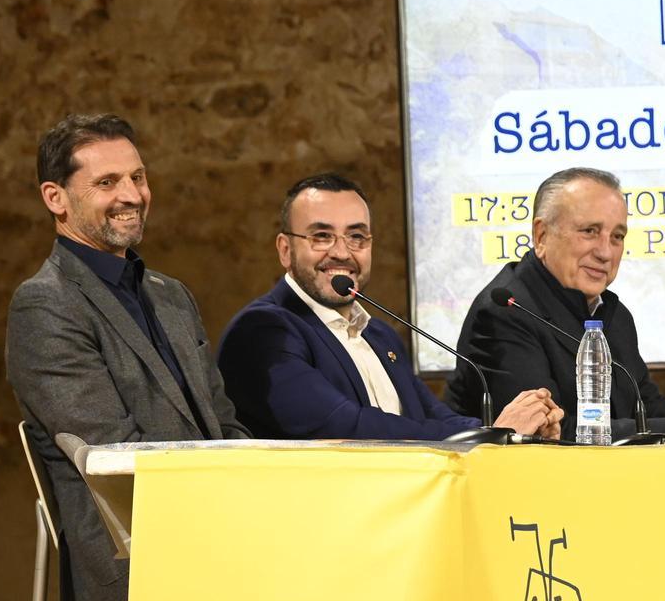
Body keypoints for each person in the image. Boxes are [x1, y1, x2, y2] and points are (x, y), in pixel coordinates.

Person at [6, 113, 249, 601]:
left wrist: (253, 496)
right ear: (56, 198)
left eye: (137, 177)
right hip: (137, 554)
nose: (132, 194)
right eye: (107, 182)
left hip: (215, 529)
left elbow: (224, 423)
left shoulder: (170, 294)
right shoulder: (45, 305)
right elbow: (113, 457)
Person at [217, 173, 562, 441]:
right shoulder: (263, 332)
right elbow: (343, 427)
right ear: (285, 250)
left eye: (356, 237)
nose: (341, 252)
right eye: (321, 236)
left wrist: (516, 427)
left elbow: (431, 418)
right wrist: (495, 435)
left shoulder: (379, 335)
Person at [446, 167, 665, 444]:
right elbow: (548, 434)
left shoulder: (613, 315)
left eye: (617, 237)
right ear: (541, 235)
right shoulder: (505, 311)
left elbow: (650, 411)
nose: (605, 252)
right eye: (590, 232)